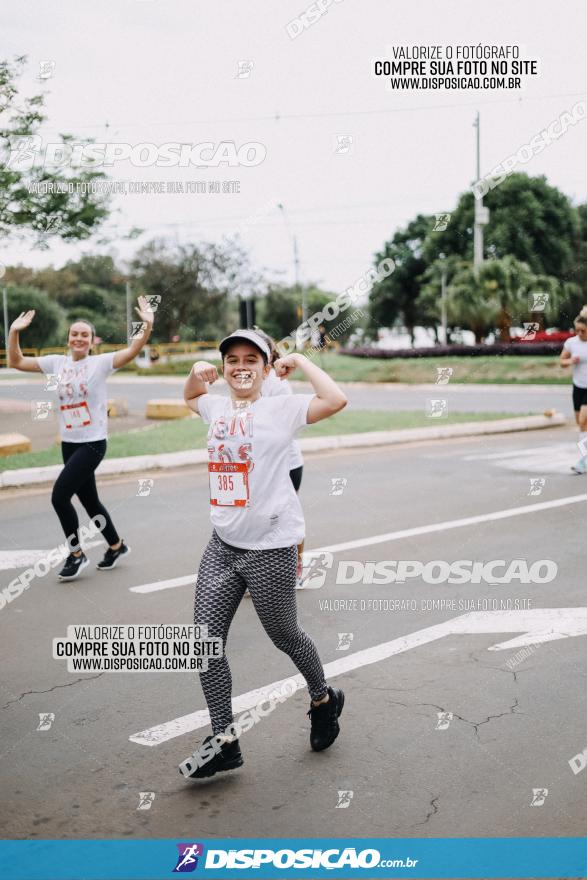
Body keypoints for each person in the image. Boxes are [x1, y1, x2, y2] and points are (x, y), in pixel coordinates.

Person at [179, 328, 347, 779]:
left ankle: (323, 698)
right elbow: (192, 395)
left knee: (285, 635)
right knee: (205, 643)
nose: (239, 367)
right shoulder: (215, 407)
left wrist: (304, 362)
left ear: (265, 367)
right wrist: (196, 374)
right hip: (223, 543)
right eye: (231, 359)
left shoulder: (283, 408)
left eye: (250, 359)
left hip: (271, 547)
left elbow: (335, 400)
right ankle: (224, 741)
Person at [7, 297, 155, 579]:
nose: (79, 338)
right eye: (74, 334)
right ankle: (116, 545)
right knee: (89, 501)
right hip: (69, 442)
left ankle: (76, 554)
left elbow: (133, 351)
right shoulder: (56, 363)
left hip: (93, 442)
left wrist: (147, 325)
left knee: (59, 497)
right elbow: (15, 361)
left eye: (84, 334)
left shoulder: (100, 364)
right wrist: (14, 331)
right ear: (68, 338)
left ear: (92, 341)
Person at [252, 326, 306, 587]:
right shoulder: (246, 381)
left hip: (287, 464)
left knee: (287, 518)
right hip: (257, 465)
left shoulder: (278, 384)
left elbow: (286, 426)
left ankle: (295, 566)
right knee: (259, 519)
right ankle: (257, 574)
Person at [560, 306, 587, 474]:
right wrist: (570, 361)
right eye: (577, 331)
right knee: (581, 424)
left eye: (583, 331)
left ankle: (583, 460)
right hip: (578, 386)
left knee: (584, 420)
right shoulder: (571, 343)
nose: (580, 334)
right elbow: (562, 361)